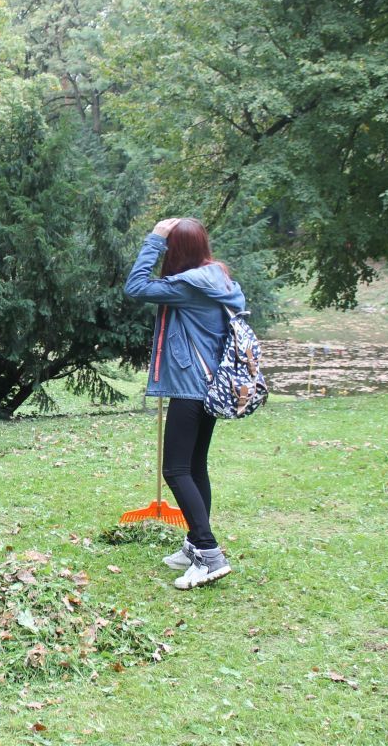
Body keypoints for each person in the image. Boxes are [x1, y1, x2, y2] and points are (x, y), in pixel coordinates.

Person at [124, 217, 245, 590]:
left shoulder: (189, 285)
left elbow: (135, 286)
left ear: (175, 250)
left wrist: (154, 240)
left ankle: (209, 554)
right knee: (194, 467)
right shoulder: (216, 277)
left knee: (175, 470)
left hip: (192, 388)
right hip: (211, 386)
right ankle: (195, 542)